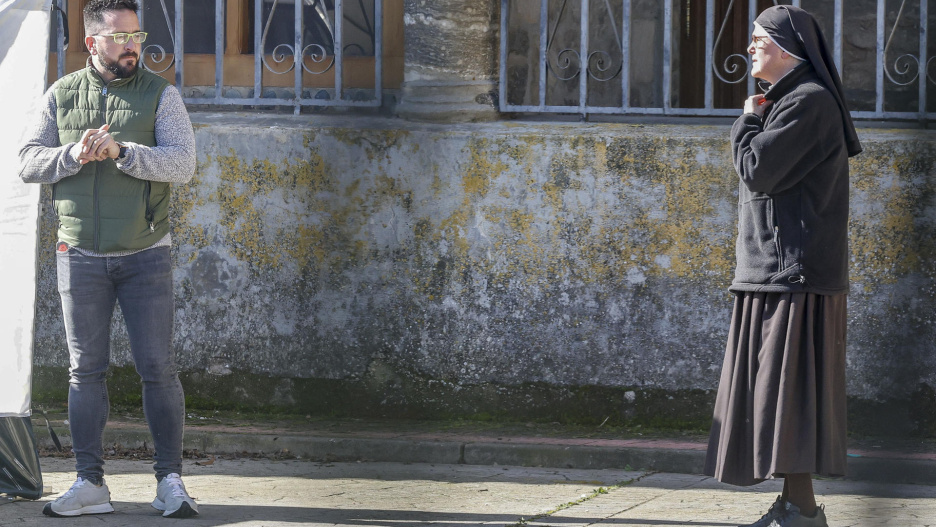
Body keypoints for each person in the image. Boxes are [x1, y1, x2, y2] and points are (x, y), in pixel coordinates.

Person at [17, 0, 198, 519]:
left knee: (158, 368)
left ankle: (170, 481)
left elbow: (183, 164)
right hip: (79, 254)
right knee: (84, 372)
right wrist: (73, 154)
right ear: (92, 43)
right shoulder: (61, 94)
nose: (132, 47)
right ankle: (90, 483)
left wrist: (123, 153)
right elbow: (29, 161)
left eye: (137, 37)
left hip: (146, 254)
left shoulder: (161, 95)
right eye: (120, 38)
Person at [703, 5, 862, 527]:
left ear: (788, 48)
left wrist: (747, 119)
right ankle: (799, 507)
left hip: (792, 271)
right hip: (775, 269)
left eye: (758, 39)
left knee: (789, 398)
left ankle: (802, 510)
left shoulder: (810, 101)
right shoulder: (792, 99)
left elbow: (758, 170)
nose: (750, 47)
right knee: (782, 398)